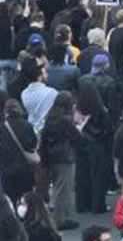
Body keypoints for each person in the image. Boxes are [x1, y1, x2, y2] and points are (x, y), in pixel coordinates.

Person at [39, 91, 81, 230]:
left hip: (51, 158)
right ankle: (59, 220)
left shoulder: (50, 117)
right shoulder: (65, 120)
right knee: (63, 190)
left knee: (58, 187)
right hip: (65, 158)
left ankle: (62, 216)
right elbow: (76, 137)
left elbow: (43, 139)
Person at [0, 99, 39, 204]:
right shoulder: (27, 125)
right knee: (27, 199)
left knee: (12, 199)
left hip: (7, 170)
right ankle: (28, 218)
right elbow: (34, 143)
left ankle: (15, 218)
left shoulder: (2, 127)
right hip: (25, 169)